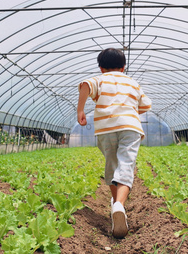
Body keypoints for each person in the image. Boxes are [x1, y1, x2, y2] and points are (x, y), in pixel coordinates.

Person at [77, 48, 151, 238]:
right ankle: (119, 204)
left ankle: (114, 202)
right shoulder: (133, 82)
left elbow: (85, 85)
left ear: (101, 68)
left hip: (106, 128)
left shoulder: (100, 79)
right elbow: (145, 105)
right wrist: (129, 113)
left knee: (111, 164)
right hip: (130, 128)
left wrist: (81, 111)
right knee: (126, 163)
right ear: (124, 66)